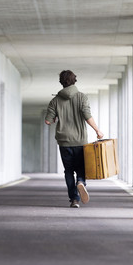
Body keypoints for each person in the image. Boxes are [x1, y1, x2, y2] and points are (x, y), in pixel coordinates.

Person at [45, 70, 104, 208]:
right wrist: (97, 130)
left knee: (68, 171)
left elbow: (48, 121)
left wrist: (54, 118)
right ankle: (81, 182)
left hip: (64, 141)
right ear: (74, 81)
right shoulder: (82, 97)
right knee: (81, 167)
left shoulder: (55, 101)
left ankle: (74, 199)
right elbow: (87, 116)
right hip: (80, 141)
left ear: (61, 82)